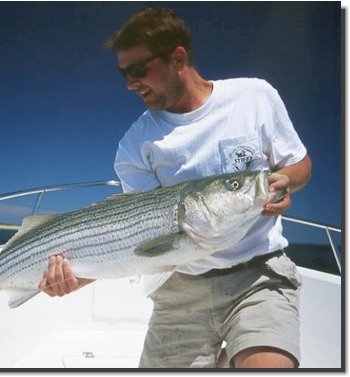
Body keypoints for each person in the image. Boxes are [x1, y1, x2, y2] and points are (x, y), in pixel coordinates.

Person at [39, 7, 312, 368]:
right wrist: (75, 279)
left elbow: (300, 164)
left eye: (138, 70)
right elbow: (136, 238)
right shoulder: (136, 143)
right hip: (181, 284)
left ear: (177, 58)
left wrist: (285, 180)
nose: (130, 84)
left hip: (259, 272)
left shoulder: (254, 97)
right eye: (124, 73)